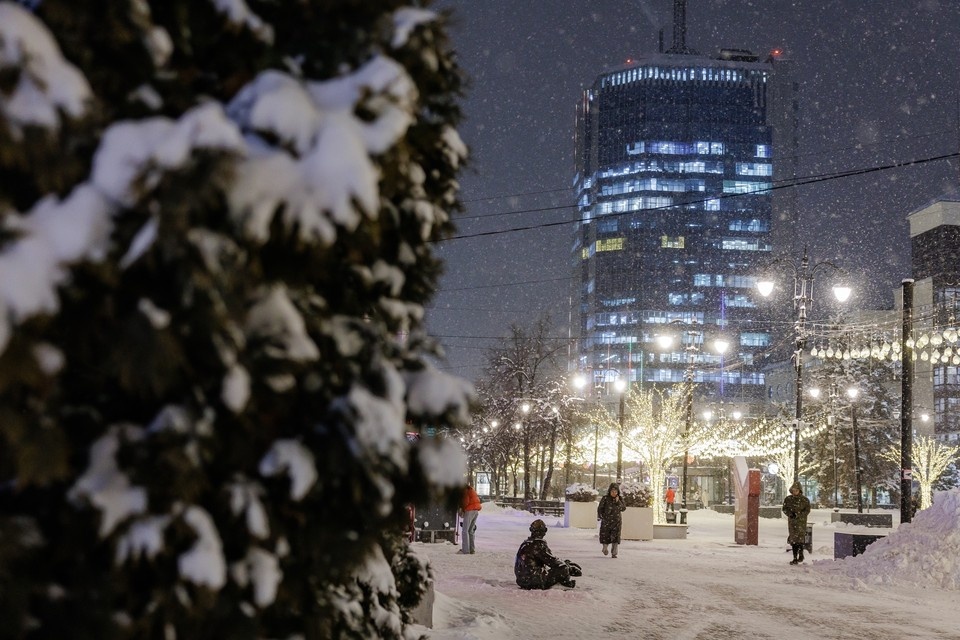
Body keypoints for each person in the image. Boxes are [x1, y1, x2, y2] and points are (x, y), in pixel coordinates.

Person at [514, 519, 581, 590]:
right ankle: (565, 583)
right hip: (533, 581)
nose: (544, 533)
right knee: (563, 568)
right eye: (544, 530)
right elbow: (552, 562)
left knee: (561, 567)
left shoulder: (526, 543)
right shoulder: (538, 544)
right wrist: (568, 567)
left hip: (522, 580)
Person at [782, 481, 811, 565]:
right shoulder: (788, 499)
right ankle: (795, 558)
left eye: (796, 490)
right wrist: (790, 514)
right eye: (793, 490)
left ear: (799, 490)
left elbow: (807, 510)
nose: (795, 492)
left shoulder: (804, 500)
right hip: (792, 522)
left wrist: (799, 515)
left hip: (801, 523)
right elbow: (784, 509)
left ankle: (801, 555)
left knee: (800, 539)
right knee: (793, 540)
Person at [597, 482, 626, 558]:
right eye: (612, 491)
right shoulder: (605, 498)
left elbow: (623, 508)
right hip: (606, 521)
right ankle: (605, 548)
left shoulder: (620, 499)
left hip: (617, 521)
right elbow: (600, 508)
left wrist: (618, 502)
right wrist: (601, 516)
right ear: (609, 491)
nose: (614, 493)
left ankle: (614, 553)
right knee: (605, 535)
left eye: (616, 491)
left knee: (615, 537)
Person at [459, 484, 482, 554]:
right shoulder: (471, 489)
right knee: (470, 531)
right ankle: (472, 549)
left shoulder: (465, 491)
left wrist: (461, 508)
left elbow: (465, 502)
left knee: (465, 531)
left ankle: (465, 550)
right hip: (476, 511)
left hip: (470, 511)